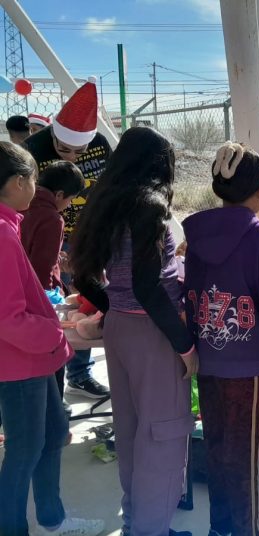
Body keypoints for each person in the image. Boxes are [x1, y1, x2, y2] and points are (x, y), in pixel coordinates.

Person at [71, 127, 198, 536]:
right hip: (153, 331)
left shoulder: (104, 202)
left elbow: (81, 273)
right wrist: (184, 345)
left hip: (122, 331)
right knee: (163, 436)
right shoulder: (150, 206)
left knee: (131, 431)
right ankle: (150, 529)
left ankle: (138, 524)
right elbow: (147, 285)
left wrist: (113, 306)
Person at [182, 143, 259, 536]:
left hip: (208, 361)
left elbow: (191, 294)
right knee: (245, 458)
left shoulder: (197, 237)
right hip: (248, 368)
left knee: (218, 450)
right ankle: (248, 529)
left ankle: (220, 528)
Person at [0, 141, 104, 536]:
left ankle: (52, 519)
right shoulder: (2, 233)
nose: (35, 187)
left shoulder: (11, 224)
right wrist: (53, 329)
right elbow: (8, 318)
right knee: (24, 450)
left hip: (34, 356)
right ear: (18, 182)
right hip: (19, 360)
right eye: (32, 179)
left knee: (54, 434)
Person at [25, 80, 111, 400]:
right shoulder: (33, 149)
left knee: (86, 303)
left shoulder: (101, 144)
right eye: (64, 150)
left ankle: (79, 374)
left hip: (90, 234)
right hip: (48, 232)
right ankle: (50, 373)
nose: (73, 157)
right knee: (52, 302)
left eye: (79, 152)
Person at [21, 161, 85, 291]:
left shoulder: (22, 202)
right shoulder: (53, 220)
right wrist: (50, 298)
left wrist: (56, 258)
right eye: (70, 199)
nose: (69, 204)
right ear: (59, 195)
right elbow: (43, 270)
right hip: (36, 292)